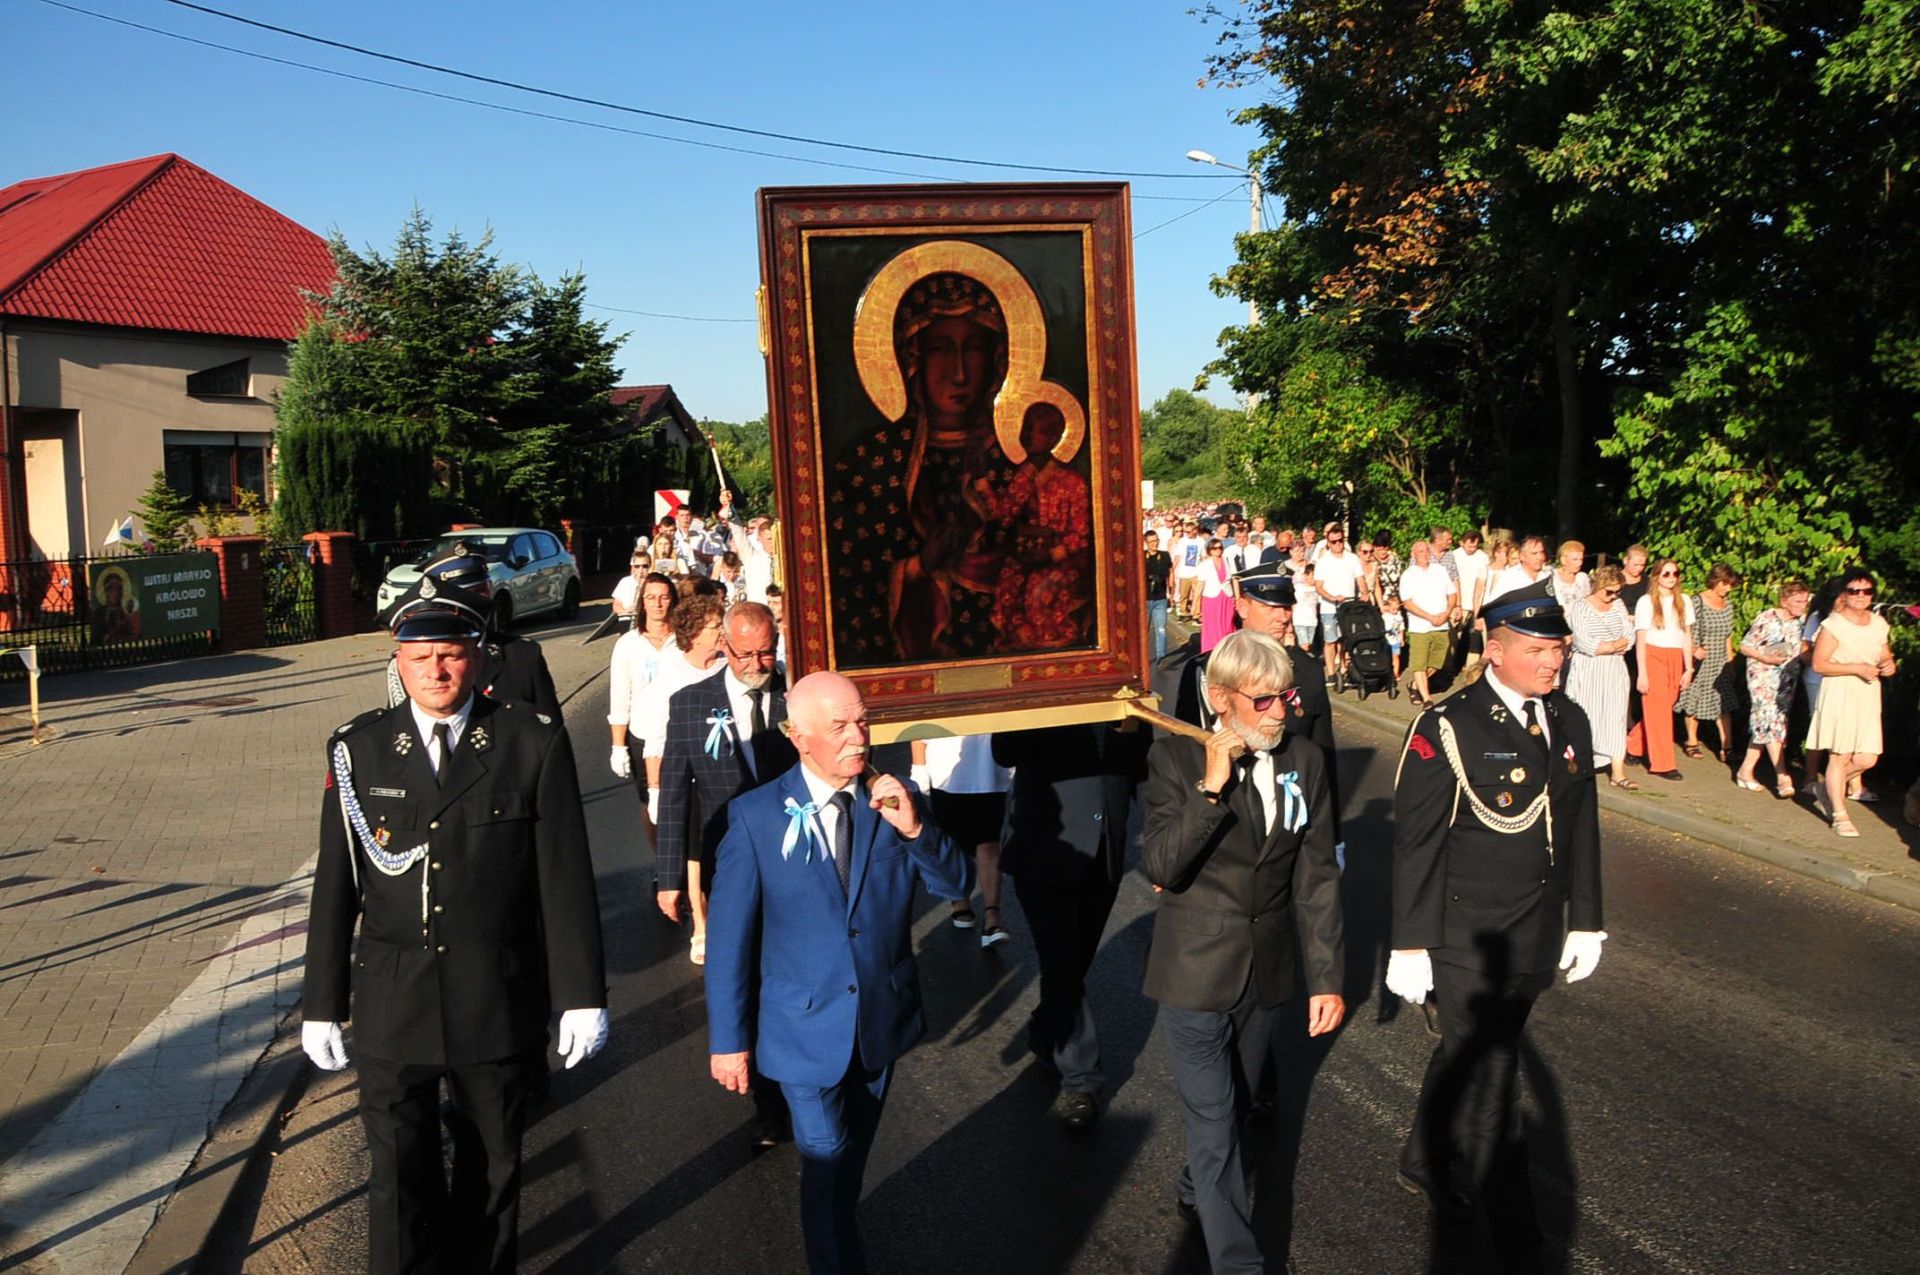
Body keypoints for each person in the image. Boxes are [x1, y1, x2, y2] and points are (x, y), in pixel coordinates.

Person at [303, 596, 608, 1275]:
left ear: (475, 658)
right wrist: (321, 1002)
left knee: (491, 1171)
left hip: (493, 993)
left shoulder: (529, 739)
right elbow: (337, 884)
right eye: (420, 658)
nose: (435, 670)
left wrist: (581, 993)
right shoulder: (360, 748)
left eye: (449, 655)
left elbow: (562, 877)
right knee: (397, 1177)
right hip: (393, 999)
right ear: (398, 662)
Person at [705, 672, 972, 1275]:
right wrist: (728, 1040)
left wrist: (915, 829)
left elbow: (958, 885)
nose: (858, 737)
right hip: (800, 1031)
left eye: (861, 721)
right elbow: (728, 941)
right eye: (839, 727)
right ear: (798, 737)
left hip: (880, 1021)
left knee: (848, 1163)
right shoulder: (754, 817)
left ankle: (837, 1232)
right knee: (826, 1158)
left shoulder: (894, 798)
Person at [1385, 582, 1604, 1258]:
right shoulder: (1448, 725)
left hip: (1533, 933)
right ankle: (1519, 1243)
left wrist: (1586, 919)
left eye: (1558, 649)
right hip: (1465, 936)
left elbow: (1582, 827)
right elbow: (1417, 843)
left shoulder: (1569, 718)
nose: (1553, 662)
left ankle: (1423, 1157)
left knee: (1466, 1053)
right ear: (1495, 649)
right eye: (1537, 650)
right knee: (1493, 1083)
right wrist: (1410, 943)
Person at [1142, 630, 1345, 1273]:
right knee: (1213, 1119)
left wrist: (1327, 978)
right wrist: (1210, 789)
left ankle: (1194, 1184)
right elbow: (1162, 866)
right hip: (1195, 972)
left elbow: (1316, 877)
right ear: (1220, 697)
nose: (1280, 711)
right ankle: (1239, 1262)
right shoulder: (1175, 759)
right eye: (1263, 700)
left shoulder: (1304, 760)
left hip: (1267, 970)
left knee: (1236, 1102)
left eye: (1285, 696)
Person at [993, 722, 1150, 1129]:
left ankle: (1047, 1029)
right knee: (1061, 960)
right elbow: (1004, 749)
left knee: (1074, 962)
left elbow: (1141, 768)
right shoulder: (1039, 693)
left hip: (1105, 849)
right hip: (1044, 847)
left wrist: (1158, 841)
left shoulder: (1127, 692)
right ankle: (1082, 1080)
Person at [655, 602, 793, 968]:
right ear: (724, 645)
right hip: (727, 858)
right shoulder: (689, 705)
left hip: (795, 854)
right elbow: (674, 795)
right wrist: (669, 878)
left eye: (765, 652)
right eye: (744, 654)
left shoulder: (799, 696)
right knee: (736, 960)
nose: (756, 665)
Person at [382, 551, 561, 719]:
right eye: (466, 595)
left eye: (482, 590)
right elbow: (400, 727)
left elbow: (550, 730)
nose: (477, 601)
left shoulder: (522, 655)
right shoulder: (408, 662)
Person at [978, 400, 1095, 652]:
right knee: (1008, 581)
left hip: (1061, 561)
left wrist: (1051, 555)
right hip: (1027, 555)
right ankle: (1015, 645)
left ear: (1053, 438)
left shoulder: (1071, 481)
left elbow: (1080, 534)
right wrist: (983, 487)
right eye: (1026, 428)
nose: (1028, 435)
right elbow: (1004, 515)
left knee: (1038, 591)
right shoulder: (1024, 475)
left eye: (1036, 430)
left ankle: (1046, 651)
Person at [637, 592, 728, 890]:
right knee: (695, 851)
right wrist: (655, 790)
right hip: (689, 777)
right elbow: (656, 737)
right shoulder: (671, 672)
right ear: (695, 632)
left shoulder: (728, 665)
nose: (722, 631)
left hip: (723, 772)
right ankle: (699, 913)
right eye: (715, 626)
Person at [1805, 568, 1897, 838]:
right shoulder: (1834, 625)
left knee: (1867, 757)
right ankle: (1839, 814)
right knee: (1840, 755)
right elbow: (1819, 664)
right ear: (1844, 594)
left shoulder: (1878, 623)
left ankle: (1827, 788)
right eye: (1854, 591)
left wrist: (1889, 664)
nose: (1860, 596)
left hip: (1868, 694)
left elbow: (1884, 653)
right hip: (1841, 691)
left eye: (1866, 591)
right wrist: (1856, 668)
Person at [910, 734, 1012, 944]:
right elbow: (920, 725)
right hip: (946, 768)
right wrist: (919, 767)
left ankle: (992, 915)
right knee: (952, 841)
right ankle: (959, 900)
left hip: (988, 765)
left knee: (989, 841)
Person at [608, 572, 677, 833]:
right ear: (643, 602)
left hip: (679, 736)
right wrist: (618, 746)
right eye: (651, 597)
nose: (657, 604)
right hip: (643, 737)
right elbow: (619, 698)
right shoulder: (628, 644)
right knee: (651, 806)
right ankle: (660, 855)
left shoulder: (684, 640)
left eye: (664, 597)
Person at [1735, 579, 1812, 798]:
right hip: (1762, 675)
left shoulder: (1801, 623)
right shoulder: (1767, 617)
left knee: (1767, 723)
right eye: (1797, 601)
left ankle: (1745, 771)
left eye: (1805, 601)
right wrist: (1765, 657)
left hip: (1785, 680)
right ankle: (1782, 776)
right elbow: (1745, 646)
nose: (1802, 605)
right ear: (1785, 600)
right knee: (1771, 720)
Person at [1567, 564, 1638, 791]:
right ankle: (1579, 764)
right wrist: (1614, 645)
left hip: (1614, 669)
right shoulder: (1581, 607)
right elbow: (1585, 643)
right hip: (1589, 669)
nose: (1613, 596)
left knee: (1615, 717)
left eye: (1618, 591)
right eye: (1609, 591)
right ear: (1599, 586)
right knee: (1586, 714)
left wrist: (1613, 645)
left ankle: (1618, 772)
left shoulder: (1618, 605)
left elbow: (1629, 636)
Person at [1633, 558, 1694, 780]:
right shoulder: (1646, 602)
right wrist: (1642, 673)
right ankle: (1663, 764)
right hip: (1653, 655)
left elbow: (1687, 636)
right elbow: (1640, 639)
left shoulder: (1684, 600)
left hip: (1675, 656)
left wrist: (1689, 668)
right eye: (1666, 573)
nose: (1671, 578)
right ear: (1657, 576)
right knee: (1659, 711)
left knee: (1661, 708)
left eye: (1675, 573)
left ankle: (1632, 744)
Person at [1678, 564, 1741, 764]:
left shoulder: (1728, 605)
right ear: (1715, 581)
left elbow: (1728, 635)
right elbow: (1684, 630)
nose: (1728, 589)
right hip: (1700, 658)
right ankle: (1691, 741)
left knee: (1725, 703)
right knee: (1694, 700)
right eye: (1725, 584)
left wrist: (1730, 661)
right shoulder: (1696, 601)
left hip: (1719, 659)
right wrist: (1693, 649)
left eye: (1730, 585)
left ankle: (1727, 747)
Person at [1399, 538, 1458, 707]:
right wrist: (1429, 617)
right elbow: (1408, 603)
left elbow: (1452, 594)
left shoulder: (1439, 570)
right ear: (1413, 555)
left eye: (1426, 550)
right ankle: (1427, 699)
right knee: (1419, 664)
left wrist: (1447, 612)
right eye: (1421, 551)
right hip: (1420, 626)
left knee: (1436, 663)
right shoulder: (1408, 575)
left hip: (1441, 624)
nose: (1425, 554)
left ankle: (1415, 685)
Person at [1313, 526, 1362, 685]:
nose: (1338, 544)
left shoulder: (1352, 558)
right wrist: (1332, 597)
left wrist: (1364, 594)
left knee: (1346, 640)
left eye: (1340, 540)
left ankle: (1344, 669)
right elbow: (1318, 586)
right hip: (1329, 607)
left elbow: (1360, 579)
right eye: (1334, 542)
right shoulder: (1323, 561)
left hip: (1348, 606)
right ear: (1328, 543)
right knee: (1330, 641)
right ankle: (1331, 673)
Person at [1198, 538, 1236, 653]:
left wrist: (1237, 597)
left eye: (1220, 547)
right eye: (1214, 548)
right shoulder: (1204, 564)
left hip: (1227, 597)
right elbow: (1200, 585)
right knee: (1212, 626)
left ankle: (1227, 649)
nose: (1218, 550)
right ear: (1209, 550)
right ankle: (1211, 650)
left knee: (1228, 624)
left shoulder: (1228, 561)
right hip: (1211, 598)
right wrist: (1196, 603)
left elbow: (1234, 579)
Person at [1145, 529, 1173, 660]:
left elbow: (1170, 574)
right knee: (1143, 631)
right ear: (1146, 543)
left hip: (1160, 599)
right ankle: (1141, 657)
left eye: (1156, 540)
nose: (1154, 543)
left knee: (1161, 629)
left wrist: (1171, 593)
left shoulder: (1165, 556)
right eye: (1151, 541)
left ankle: (1161, 657)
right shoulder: (1141, 556)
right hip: (1145, 600)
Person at [1173, 520, 1206, 622]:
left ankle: (1196, 614)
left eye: (1188, 532)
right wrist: (1172, 569)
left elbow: (1203, 556)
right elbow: (1177, 556)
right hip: (1184, 572)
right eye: (1185, 532)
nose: (1186, 534)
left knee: (1197, 594)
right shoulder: (1182, 541)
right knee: (1183, 594)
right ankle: (1183, 612)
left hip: (1196, 572)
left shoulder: (1201, 541)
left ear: (1195, 530)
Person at [610, 549, 652, 619]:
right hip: (626, 620)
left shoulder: (654, 583)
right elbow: (616, 605)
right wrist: (626, 612)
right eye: (637, 566)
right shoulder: (625, 581)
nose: (641, 570)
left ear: (650, 565)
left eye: (644, 566)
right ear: (633, 567)